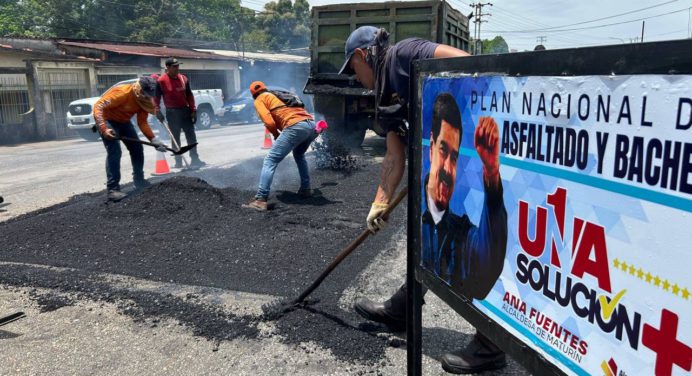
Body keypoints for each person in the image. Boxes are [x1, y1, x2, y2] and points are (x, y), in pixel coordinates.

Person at [339, 26, 508, 374]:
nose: (355, 79)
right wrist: (380, 201)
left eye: (353, 70)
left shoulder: (404, 55)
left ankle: (493, 343)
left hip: (472, 156)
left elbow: (467, 63)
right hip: (436, 174)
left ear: (361, 56)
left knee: (480, 251)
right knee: (426, 243)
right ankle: (403, 309)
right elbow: (393, 154)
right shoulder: (383, 96)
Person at [242, 81, 318, 211]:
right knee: (299, 154)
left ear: (253, 95)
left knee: (270, 160)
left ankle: (260, 199)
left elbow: (269, 122)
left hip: (295, 125)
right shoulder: (277, 95)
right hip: (311, 125)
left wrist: (276, 134)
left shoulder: (260, 99)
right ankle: (306, 189)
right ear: (265, 88)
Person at [93, 76, 166, 202]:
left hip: (124, 122)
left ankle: (139, 180)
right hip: (108, 120)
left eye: (150, 95)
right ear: (139, 89)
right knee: (115, 151)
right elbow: (98, 106)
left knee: (137, 149)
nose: (148, 98)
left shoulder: (145, 101)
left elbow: (142, 122)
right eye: (146, 94)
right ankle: (113, 189)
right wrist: (104, 128)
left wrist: (153, 139)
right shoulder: (122, 93)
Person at [154, 57, 205, 169]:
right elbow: (156, 98)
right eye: (174, 66)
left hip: (185, 111)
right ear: (167, 67)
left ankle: (195, 159)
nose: (177, 68)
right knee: (175, 137)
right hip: (172, 113)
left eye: (178, 66)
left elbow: (189, 95)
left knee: (191, 136)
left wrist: (193, 110)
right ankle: (178, 161)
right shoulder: (161, 81)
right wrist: (157, 111)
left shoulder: (183, 78)